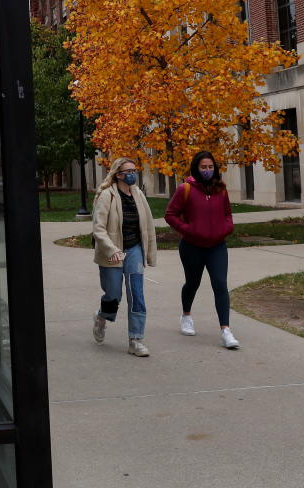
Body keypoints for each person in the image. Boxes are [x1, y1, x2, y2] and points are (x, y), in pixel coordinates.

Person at [165, 150, 240, 349]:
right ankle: (186, 316)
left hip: (217, 246)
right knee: (192, 283)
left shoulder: (221, 189)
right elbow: (170, 214)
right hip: (192, 246)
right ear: (196, 168)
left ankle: (226, 330)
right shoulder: (186, 189)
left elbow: (228, 214)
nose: (208, 170)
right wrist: (188, 230)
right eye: (203, 167)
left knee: (220, 284)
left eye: (210, 167)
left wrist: (227, 228)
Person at [91, 157, 158, 356]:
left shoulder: (138, 194)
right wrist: (113, 250)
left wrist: (150, 253)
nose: (132, 174)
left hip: (134, 249)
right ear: (118, 174)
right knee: (113, 295)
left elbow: (148, 225)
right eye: (128, 171)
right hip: (112, 252)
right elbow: (98, 228)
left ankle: (135, 340)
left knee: (136, 293)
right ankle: (102, 317)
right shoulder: (107, 196)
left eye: (134, 170)